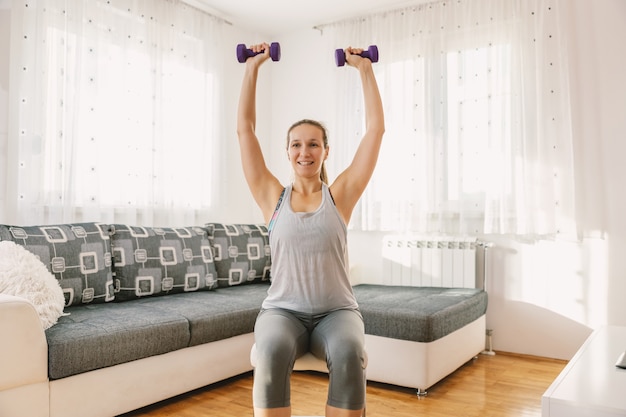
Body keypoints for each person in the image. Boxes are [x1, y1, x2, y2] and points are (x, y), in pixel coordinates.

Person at [237, 42, 384, 417]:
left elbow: (375, 132)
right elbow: (245, 132)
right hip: (282, 312)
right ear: (287, 151)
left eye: (314, 144)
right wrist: (252, 68)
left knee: (350, 353)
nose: (306, 152)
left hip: (337, 312)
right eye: (297, 145)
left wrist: (364, 70)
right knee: (268, 352)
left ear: (325, 151)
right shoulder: (272, 196)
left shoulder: (340, 197)